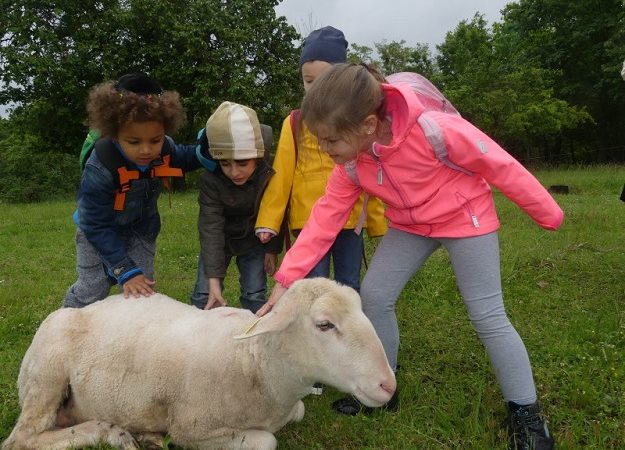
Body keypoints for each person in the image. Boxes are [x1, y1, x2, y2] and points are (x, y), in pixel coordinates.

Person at [257, 64, 563, 450]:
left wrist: (547, 213)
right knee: (376, 295)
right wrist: (286, 281)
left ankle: (526, 414)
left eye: (331, 140)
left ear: (368, 125)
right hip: (411, 226)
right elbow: (323, 221)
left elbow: (500, 165)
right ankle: (384, 386)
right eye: (320, 140)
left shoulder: (435, 129)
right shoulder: (352, 163)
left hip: (465, 219)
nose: (324, 149)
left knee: (487, 315)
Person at [255, 26, 387, 293]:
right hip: (308, 220)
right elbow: (280, 175)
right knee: (314, 286)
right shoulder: (294, 122)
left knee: (349, 284)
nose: (315, 88)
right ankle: (313, 333)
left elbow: (369, 174)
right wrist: (269, 219)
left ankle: (346, 331)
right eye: (308, 80)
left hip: (351, 221)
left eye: (324, 79)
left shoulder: (357, 123)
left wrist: (377, 222)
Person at [64, 72, 205, 308]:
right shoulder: (100, 165)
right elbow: (94, 223)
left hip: (141, 231)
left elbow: (186, 157)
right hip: (96, 233)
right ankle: (64, 329)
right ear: (114, 133)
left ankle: (132, 341)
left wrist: (209, 149)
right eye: (134, 142)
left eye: (156, 140)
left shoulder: (165, 149)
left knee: (141, 291)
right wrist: (124, 269)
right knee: (92, 290)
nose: (147, 150)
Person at [190, 101, 282, 314]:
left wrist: (271, 249)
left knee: (254, 294)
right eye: (225, 164)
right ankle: (198, 336)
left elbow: (276, 210)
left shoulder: (270, 173)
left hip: (255, 241)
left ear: (259, 156)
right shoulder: (209, 181)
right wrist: (213, 280)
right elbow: (210, 227)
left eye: (242, 163)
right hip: (219, 241)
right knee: (203, 295)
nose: (234, 172)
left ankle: (255, 334)